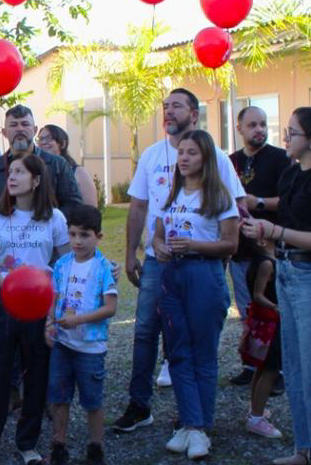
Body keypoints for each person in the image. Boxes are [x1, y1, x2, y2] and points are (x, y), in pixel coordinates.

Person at [114, 89, 244, 433]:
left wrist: (216, 262)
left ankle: (191, 417)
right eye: (165, 106)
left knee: (190, 341)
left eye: (177, 106)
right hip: (159, 261)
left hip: (201, 268)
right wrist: (131, 253)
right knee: (145, 330)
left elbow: (232, 212)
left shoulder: (218, 158)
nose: (168, 112)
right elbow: (140, 206)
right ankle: (140, 405)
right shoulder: (152, 156)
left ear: (194, 115)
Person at [240, 106, 311, 465]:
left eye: (292, 132)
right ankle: (306, 450)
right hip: (289, 274)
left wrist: (275, 231)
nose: (285, 138)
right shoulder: (292, 175)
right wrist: (265, 236)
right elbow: (290, 230)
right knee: (296, 369)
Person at [0, 154, 70, 465]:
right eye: (9, 172)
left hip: (40, 308)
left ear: (37, 180)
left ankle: (28, 443)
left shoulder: (54, 218)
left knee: (37, 373)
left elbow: (66, 263)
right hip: (4, 305)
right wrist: (7, 286)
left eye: (19, 172)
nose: (11, 178)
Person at [151, 130, 239, 460]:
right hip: (172, 275)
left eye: (192, 153)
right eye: (181, 153)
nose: (184, 158)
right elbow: (158, 236)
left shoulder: (219, 197)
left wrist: (195, 246)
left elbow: (231, 244)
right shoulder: (170, 195)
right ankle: (189, 423)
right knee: (178, 352)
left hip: (205, 274)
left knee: (203, 352)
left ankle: (199, 428)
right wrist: (159, 248)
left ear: (206, 158)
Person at [46, 205, 117, 465]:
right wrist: (49, 324)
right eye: (72, 234)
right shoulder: (62, 264)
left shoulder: (103, 267)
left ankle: (96, 448)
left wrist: (78, 320)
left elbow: (110, 308)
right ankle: (58, 446)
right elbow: (52, 301)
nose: (77, 241)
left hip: (90, 348)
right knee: (59, 397)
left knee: (92, 401)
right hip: (63, 346)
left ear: (98, 237)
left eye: (84, 235)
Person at [227, 106, 290, 388]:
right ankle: (252, 365)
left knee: (274, 306)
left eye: (263, 124)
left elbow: (290, 199)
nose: (259, 130)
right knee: (247, 308)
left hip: (272, 249)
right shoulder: (229, 163)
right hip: (240, 249)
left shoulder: (281, 159)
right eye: (252, 125)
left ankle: (277, 368)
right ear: (239, 128)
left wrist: (259, 203)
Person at [238, 236, 283, 440]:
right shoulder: (266, 263)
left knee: (261, 367)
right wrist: (277, 307)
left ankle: (255, 408)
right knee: (271, 370)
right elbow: (258, 294)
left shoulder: (264, 260)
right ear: (262, 242)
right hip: (271, 323)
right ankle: (256, 418)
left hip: (267, 322)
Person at [38, 124, 99, 207]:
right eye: (41, 139)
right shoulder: (37, 170)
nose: (44, 142)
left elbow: (91, 209)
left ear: (62, 144)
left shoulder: (78, 172)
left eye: (49, 138)